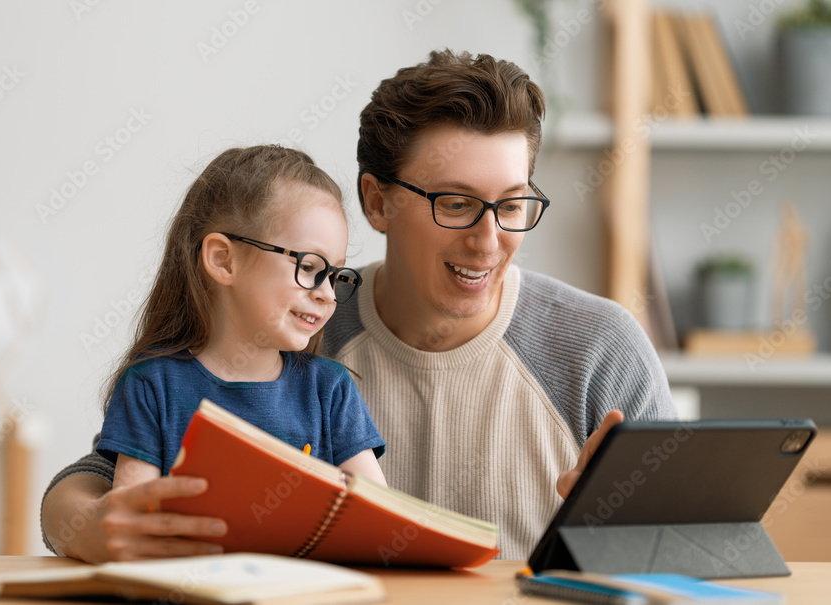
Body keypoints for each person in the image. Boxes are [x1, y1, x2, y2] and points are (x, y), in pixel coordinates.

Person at [41, 50, 675, 562]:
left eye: (511, 205)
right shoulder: (299, 327)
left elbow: (696, 545)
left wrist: (618, 527)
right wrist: (88, 530)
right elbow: (87, 486)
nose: (489, 240)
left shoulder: (599, 346)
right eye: (454, 204)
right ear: (376, 202)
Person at [54, 145, 387, 559]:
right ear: (223, 260)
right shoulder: (149, 386)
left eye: (335, 275)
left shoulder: (331, 390)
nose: (326, 295)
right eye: (308, 267)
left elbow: (380, 523)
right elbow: (133, 533)